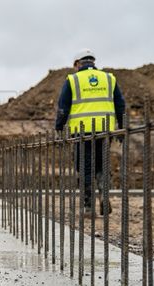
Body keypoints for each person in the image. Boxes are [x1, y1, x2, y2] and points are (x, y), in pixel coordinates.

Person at [55, 48, 126, 214]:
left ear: (78, 64)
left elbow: (63, 107)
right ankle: (103, 192)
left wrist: (59, 126)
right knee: (101, 164)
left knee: (84, 166)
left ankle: (87, 206)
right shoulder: (108, 78)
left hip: (82, 132)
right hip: (104, 130)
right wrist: (121, 127)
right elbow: (120, 104)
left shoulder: (73, 80)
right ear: (93, 62)